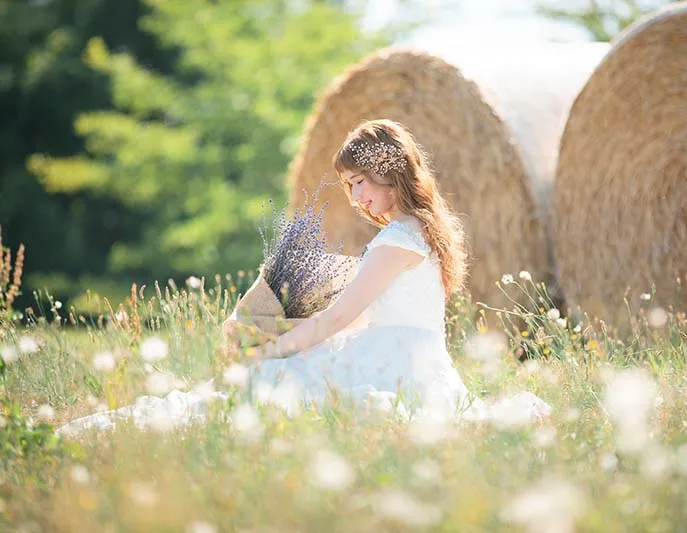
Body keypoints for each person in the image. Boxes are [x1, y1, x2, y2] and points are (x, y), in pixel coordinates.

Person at [57, 119, 550, 436]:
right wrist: (291, 338)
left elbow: (340, 316)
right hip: (414, 360)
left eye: (359, 184)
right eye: (350, 187)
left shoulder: (400, 238)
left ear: (389, 173)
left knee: (268, 384)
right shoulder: (421, 231)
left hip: (396, 364)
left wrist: (271, 350)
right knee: (278, 382)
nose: (356, 199)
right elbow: (364, 318)